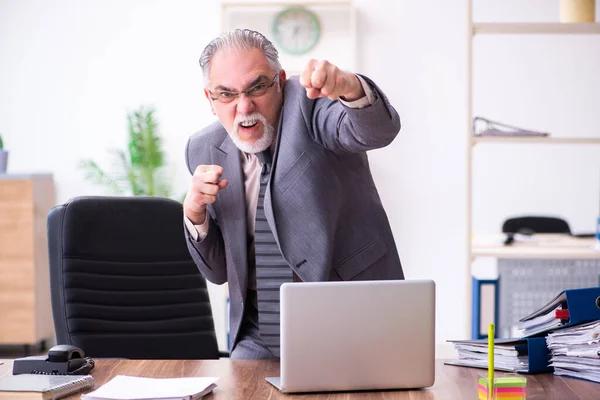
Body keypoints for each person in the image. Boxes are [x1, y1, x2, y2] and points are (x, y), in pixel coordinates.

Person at [183, 29, 404, 360]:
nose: (244, 107)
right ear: (210, 99)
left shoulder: (310, 105)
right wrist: (195, 214)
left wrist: (350, 87)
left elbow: (378, 131)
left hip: (349, 316)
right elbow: (217, 273)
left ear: (280, 81)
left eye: (257, 87)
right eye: (226, 94)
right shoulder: (203, 148)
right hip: (258, 335)